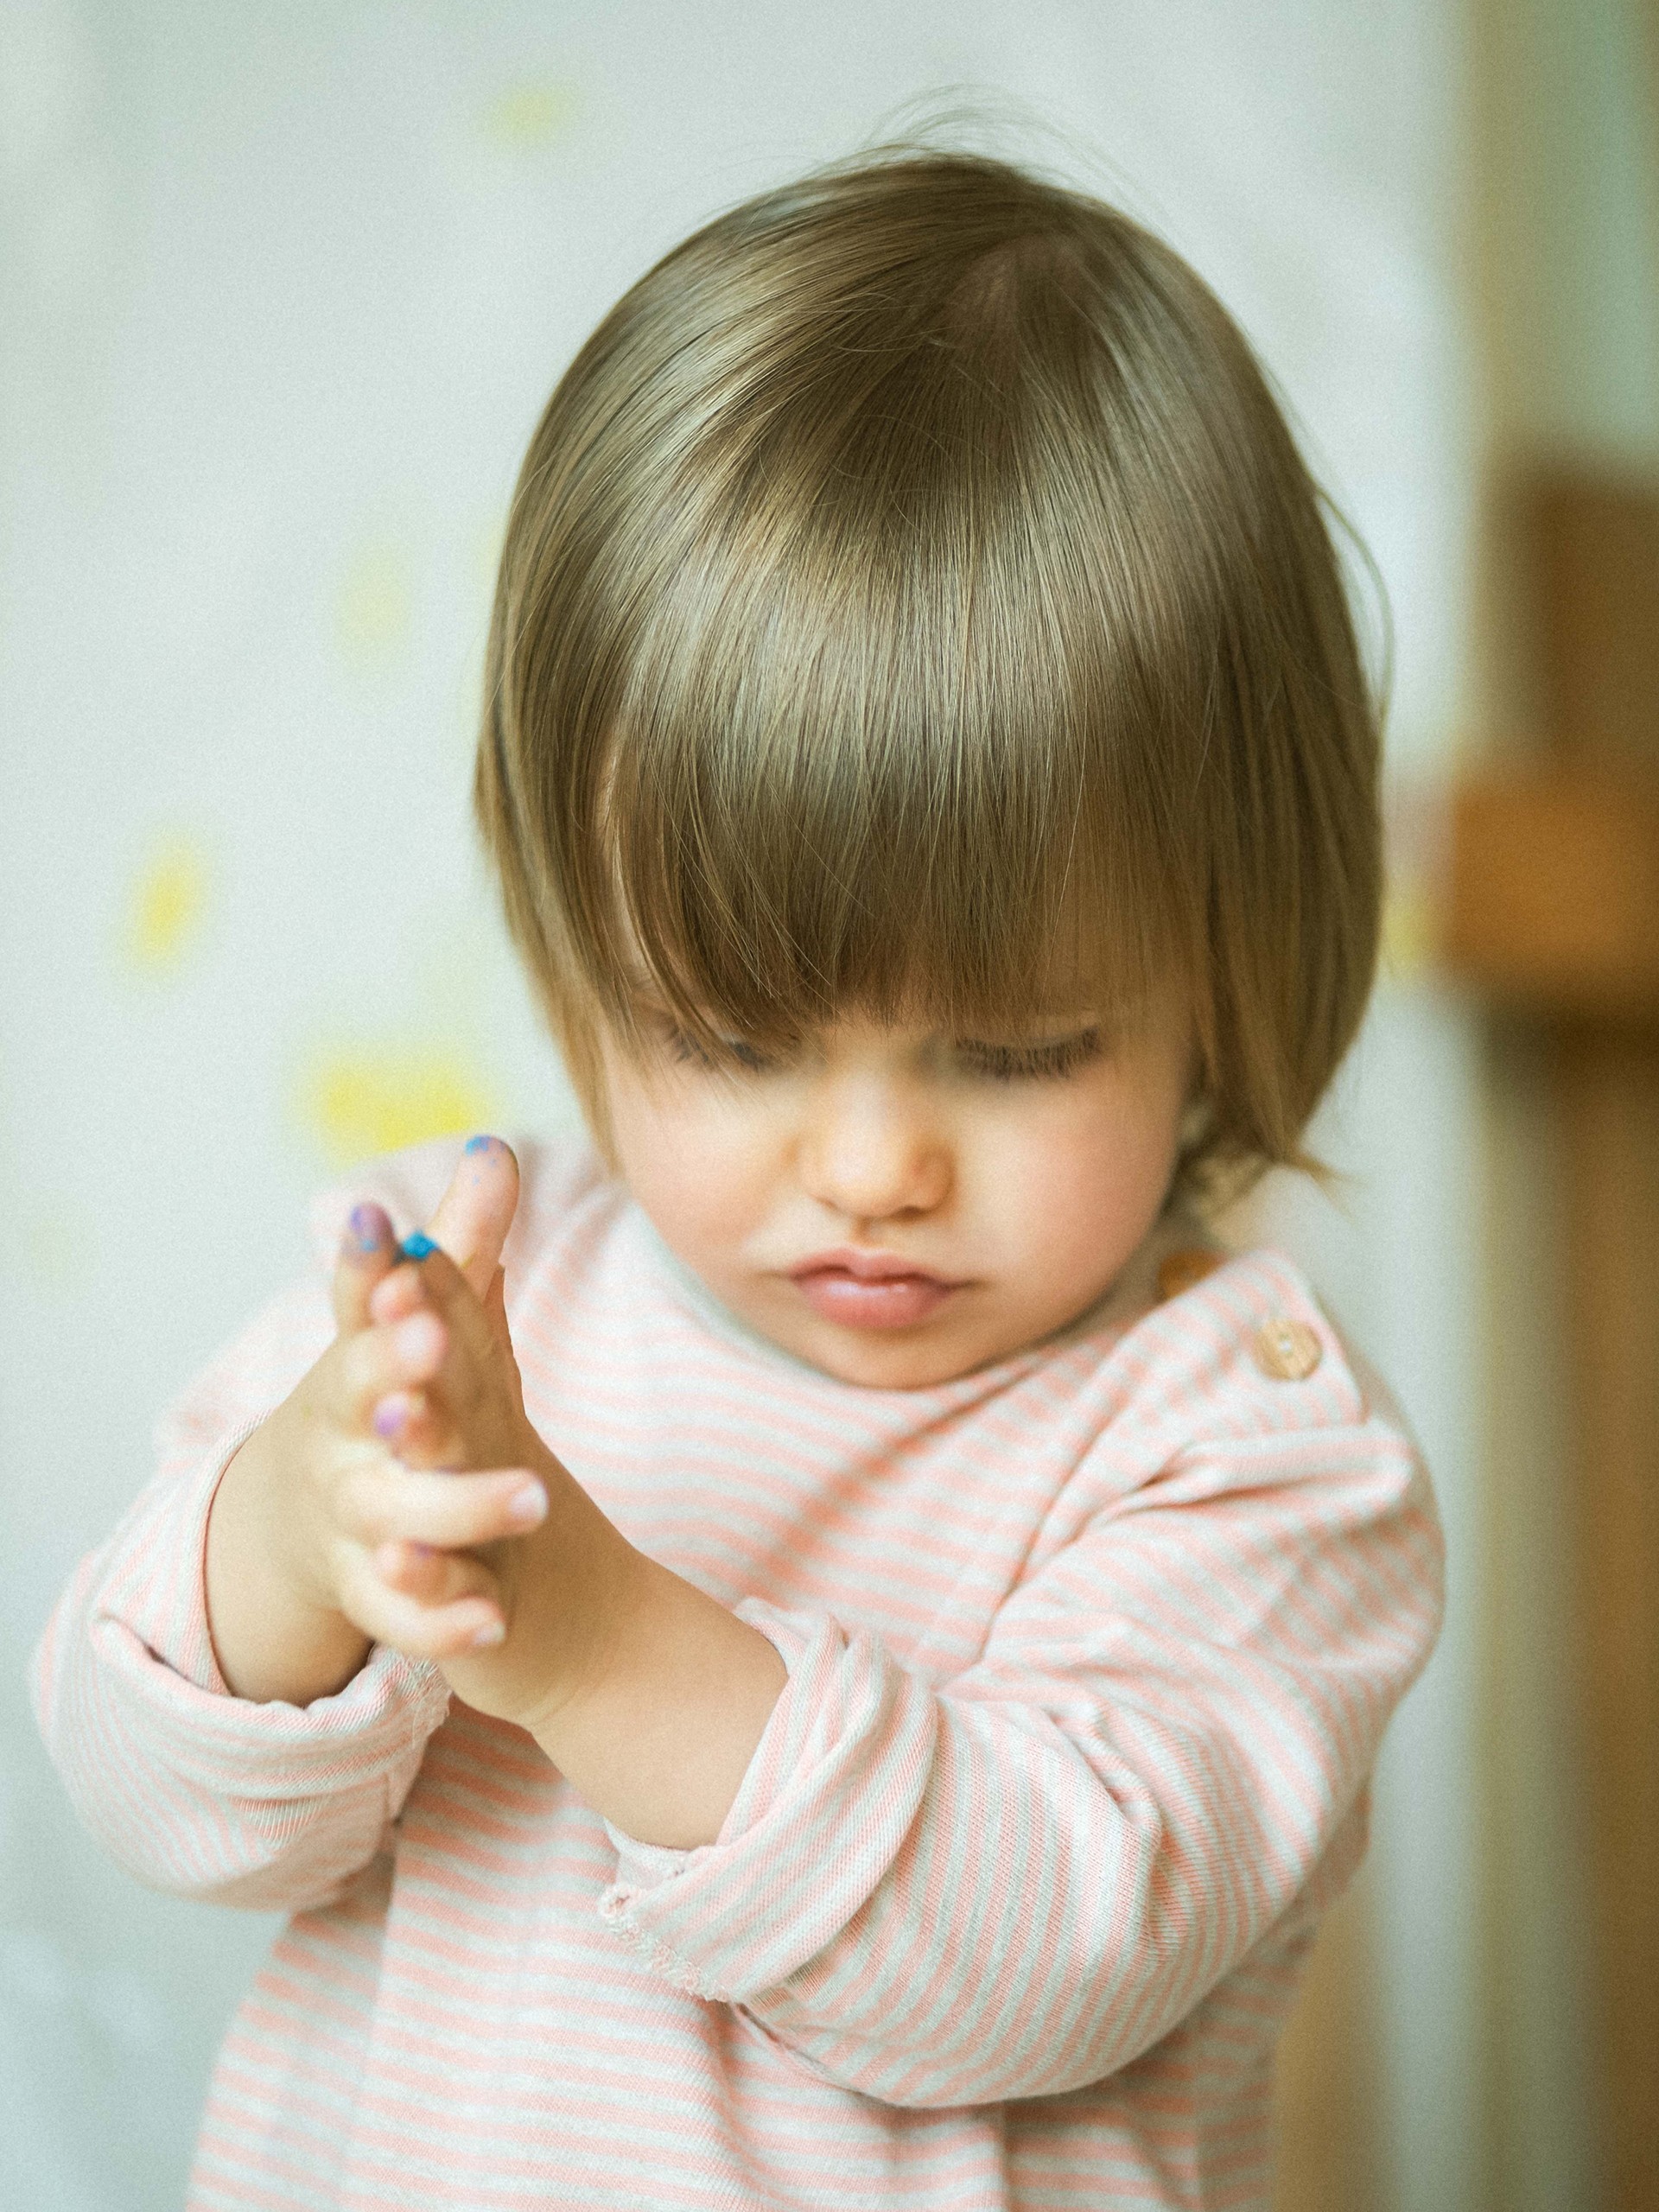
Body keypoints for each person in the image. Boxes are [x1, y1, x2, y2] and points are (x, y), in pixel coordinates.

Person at [33, 148, 1443, 2210]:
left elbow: (1035, 1952)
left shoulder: (1253, 1456)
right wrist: (296, 1540)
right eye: (732, 1032)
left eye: (1024, 1046)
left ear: (1236, 968)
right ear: (582, 953)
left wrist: (588, 1638)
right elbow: (159, 1799)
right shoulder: (456, 1308)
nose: (870, 1166)